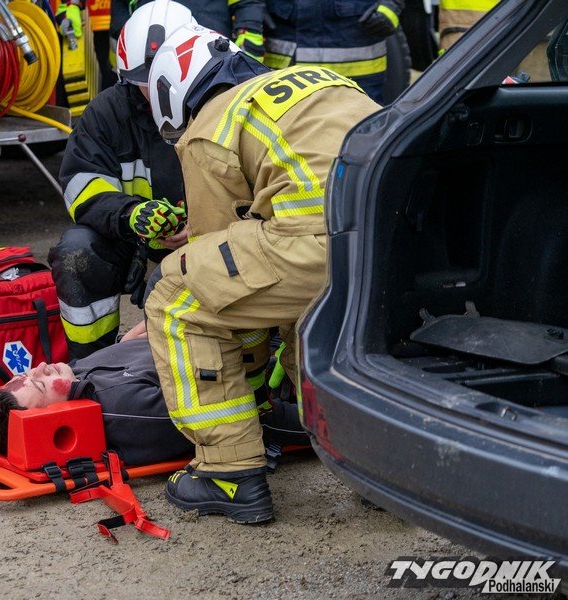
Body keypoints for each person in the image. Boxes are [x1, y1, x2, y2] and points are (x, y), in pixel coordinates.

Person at [143, 24, 380, 523]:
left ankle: (228, 474)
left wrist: (250, 379)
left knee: (175, 297)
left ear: (174, 94)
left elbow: (215, 264)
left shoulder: (210, 125)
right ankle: (376, 466)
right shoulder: (320, 79)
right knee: (314, 323)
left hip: (317, 247)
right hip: (391, 242)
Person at [49, 0, 195, 361]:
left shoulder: (221, 103)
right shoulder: (108, 111)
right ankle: (90, 365)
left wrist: (201, 225)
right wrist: (131, 214)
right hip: (133, 241)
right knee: (77, 252)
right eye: (143, 83)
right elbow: (82, 186)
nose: (154, 91)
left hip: (207, 243)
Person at [0, 333, 307, 467]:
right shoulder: (124, 413)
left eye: (29, 372)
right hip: (272, 375)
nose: (41, 366)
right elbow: (230, 412)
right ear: (56, 417)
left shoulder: (75, 375)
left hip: (245, 341)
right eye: (40, 384)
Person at [263, 0, 404, 104]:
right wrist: (253, 11)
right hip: (285, 74)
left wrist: (390, 6)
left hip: (359, 73)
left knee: (361, 129)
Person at [110, 0, 269, 64]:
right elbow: (120, 10)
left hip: (211, 54)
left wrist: (247, 55)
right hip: (150, 55)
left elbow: (247, 4)